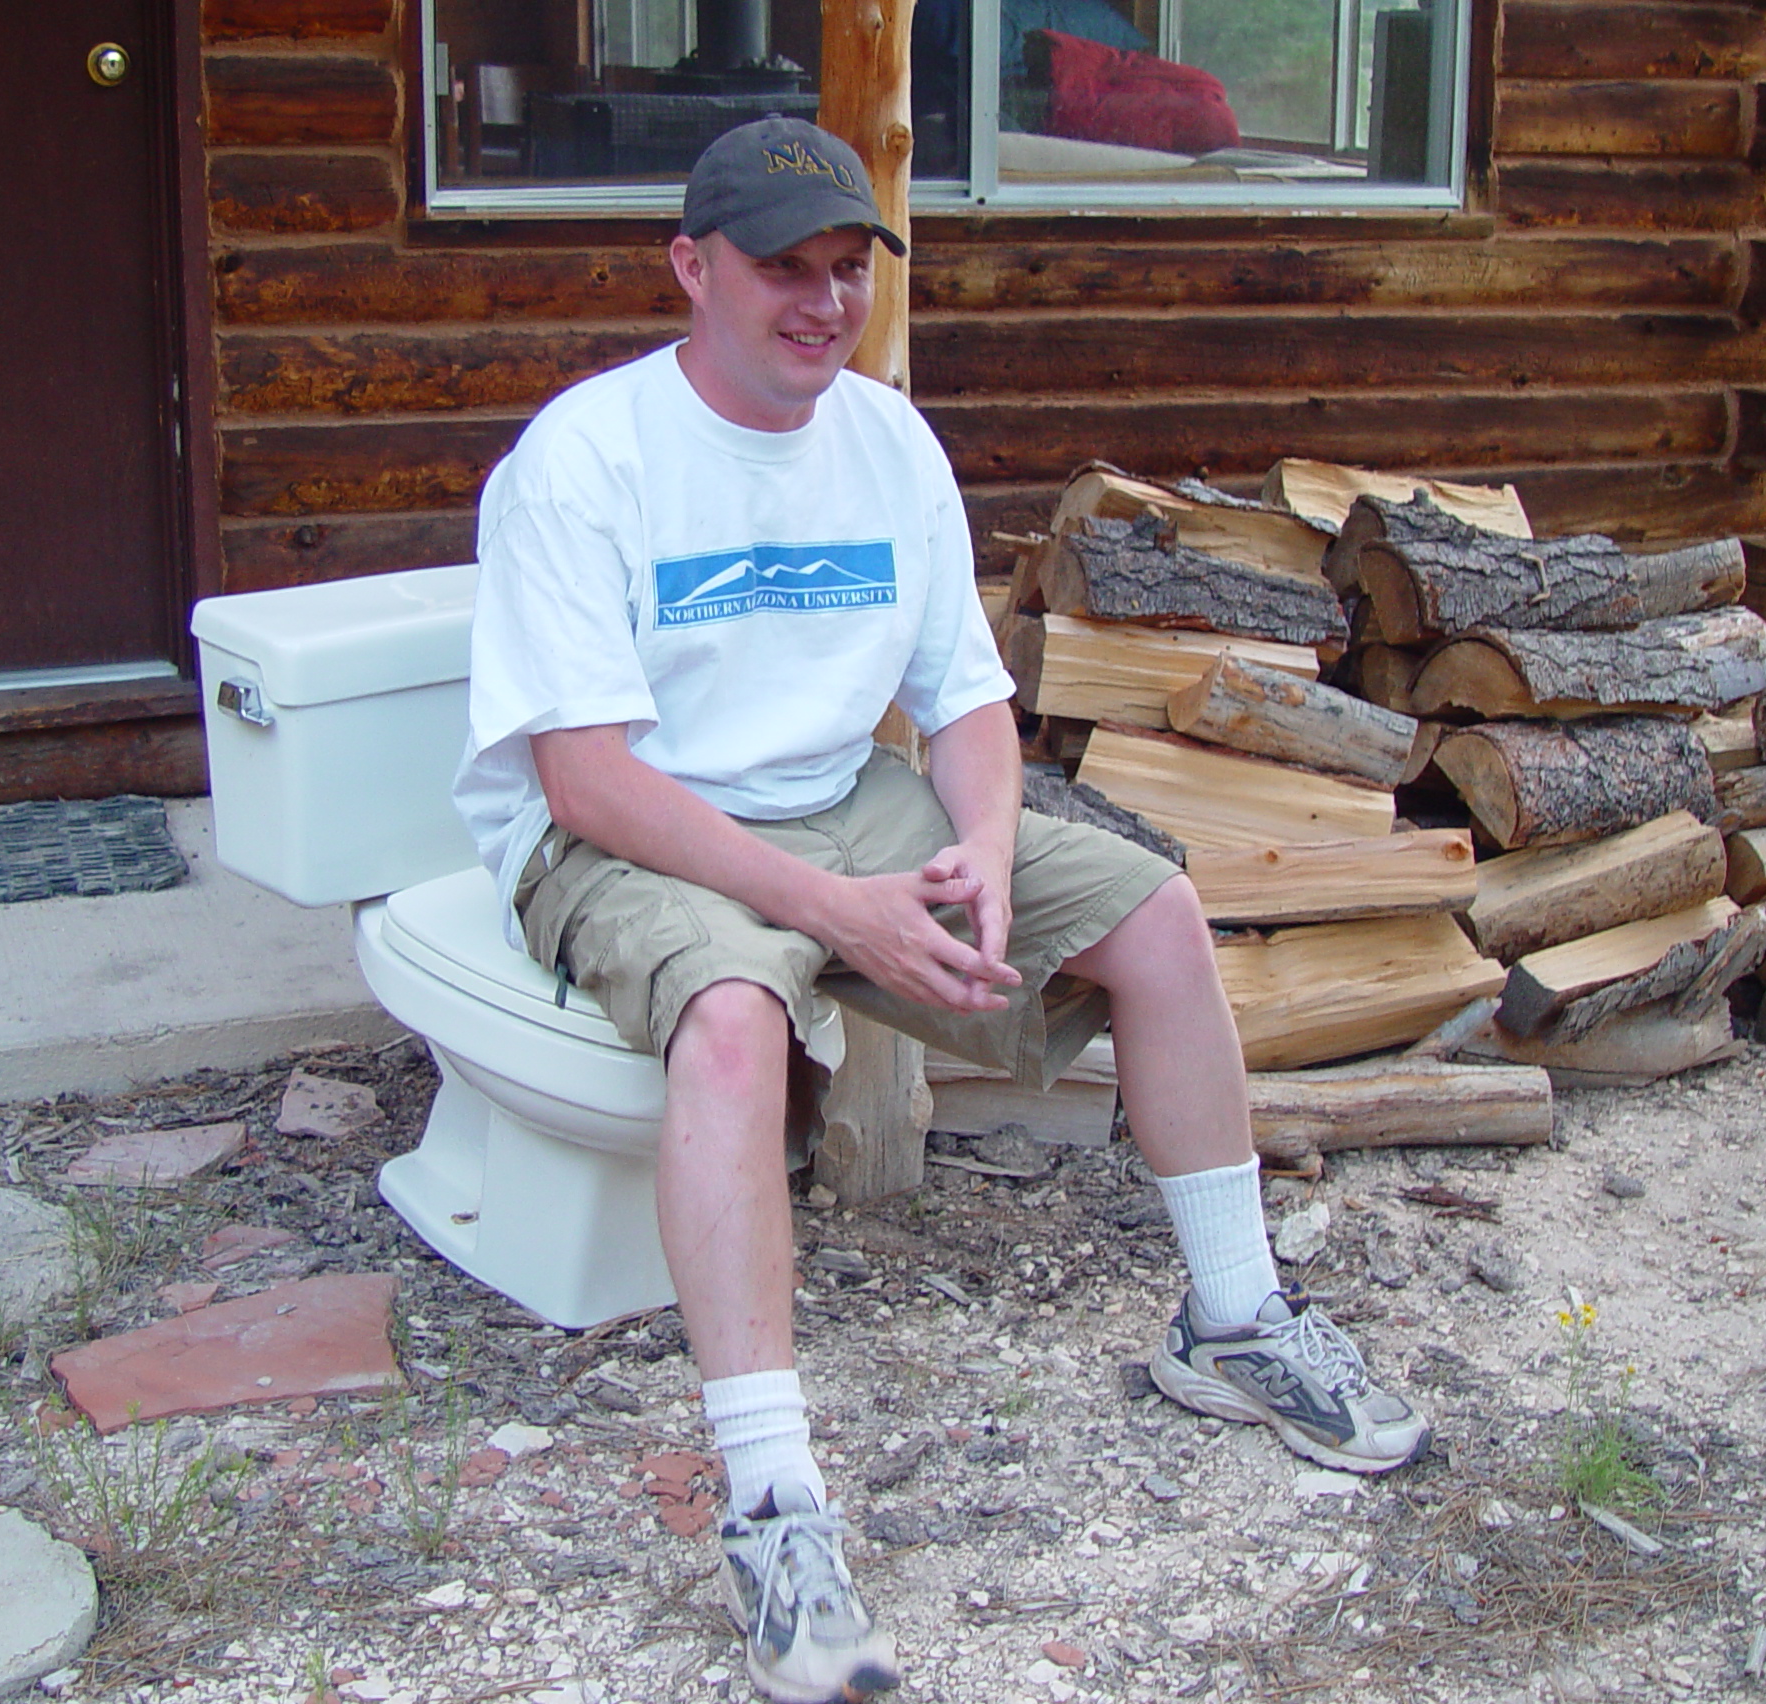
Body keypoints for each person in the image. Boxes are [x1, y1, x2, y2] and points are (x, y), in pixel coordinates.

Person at [452, 118, 1428, 1704]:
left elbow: (966, 697)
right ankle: (771, 1502)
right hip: (637, 826)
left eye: (849, 271)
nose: (825, 303)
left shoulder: (889, 442)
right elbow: (583, 781)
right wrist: (836, 914)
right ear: (690, 269)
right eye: (785, 268)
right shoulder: (586, 458)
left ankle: (1235, 1319)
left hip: (848, 795)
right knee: (729, 1021)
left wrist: (975, 848)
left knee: (1157, 918)